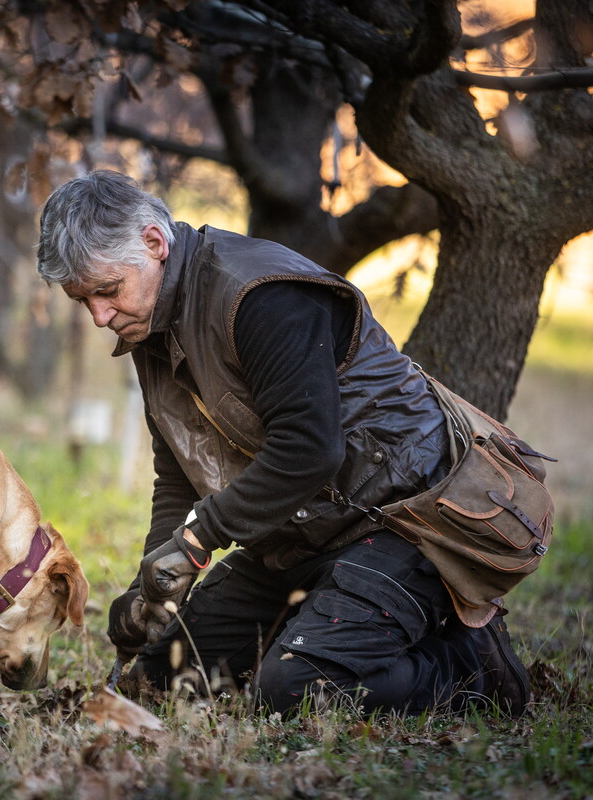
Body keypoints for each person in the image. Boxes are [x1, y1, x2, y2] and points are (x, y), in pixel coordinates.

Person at [35, 170, 531, 716]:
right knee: (167, 679)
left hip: (404, 524)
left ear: (154, 244)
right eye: (84, 301)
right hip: (302, 537)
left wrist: (198, 538)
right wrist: (151, 584)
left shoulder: (259, 295)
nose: (100, 316)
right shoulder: (148, 322)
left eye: (107, 291)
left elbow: (311, 449)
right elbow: (177, 470)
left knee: (295, 690)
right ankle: (326, 633)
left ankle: (470, 669)